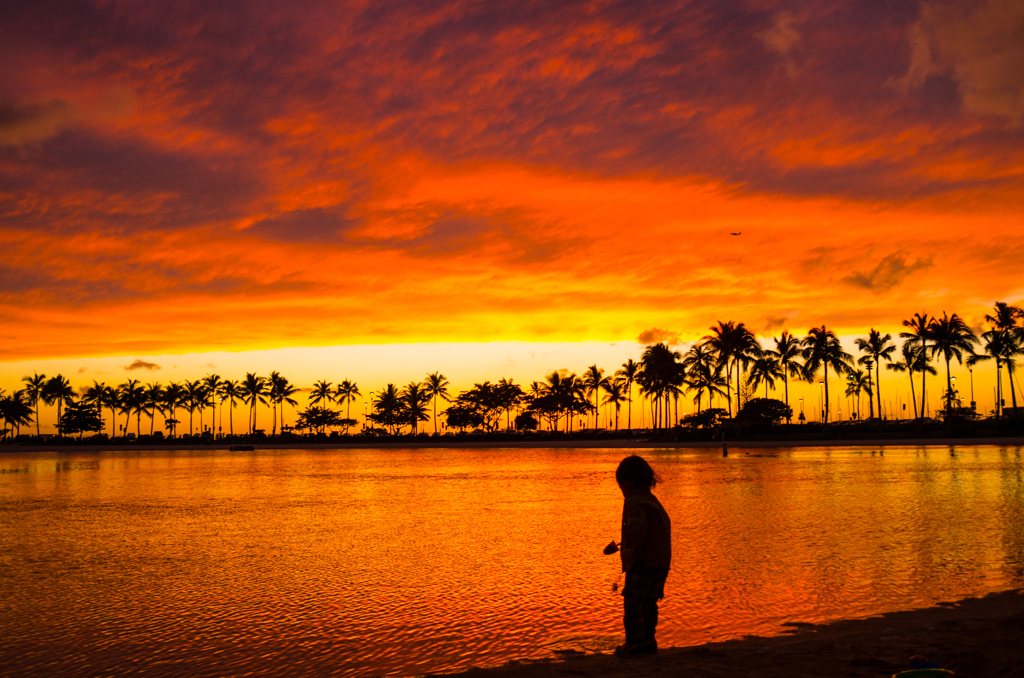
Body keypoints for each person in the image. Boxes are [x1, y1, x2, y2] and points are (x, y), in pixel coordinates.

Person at [613, 455, 671, 657]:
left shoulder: (635, 502)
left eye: (621, 488)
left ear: (627, 483)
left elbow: (638, 528)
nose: (622, 493)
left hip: (643, 561)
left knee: (633, 602)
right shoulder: (652, 500)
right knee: (648, 604)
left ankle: (634, 644)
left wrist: (630, 550)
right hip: (660, 561)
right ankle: (648, 641)